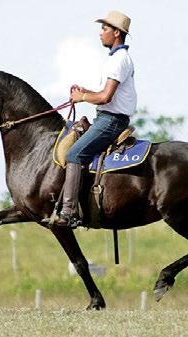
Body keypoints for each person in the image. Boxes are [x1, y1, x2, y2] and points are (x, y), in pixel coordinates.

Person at [52, 10, 137, 228]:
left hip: (111, 121)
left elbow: (105, 97)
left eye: (105, 29)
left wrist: (83, 97)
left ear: (117, 33)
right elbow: (105, 96)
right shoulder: (115, 58)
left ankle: (68, 212)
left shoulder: (119, 60)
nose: (100, 33)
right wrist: (85, 92)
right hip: (106, 117)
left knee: (74, 154)